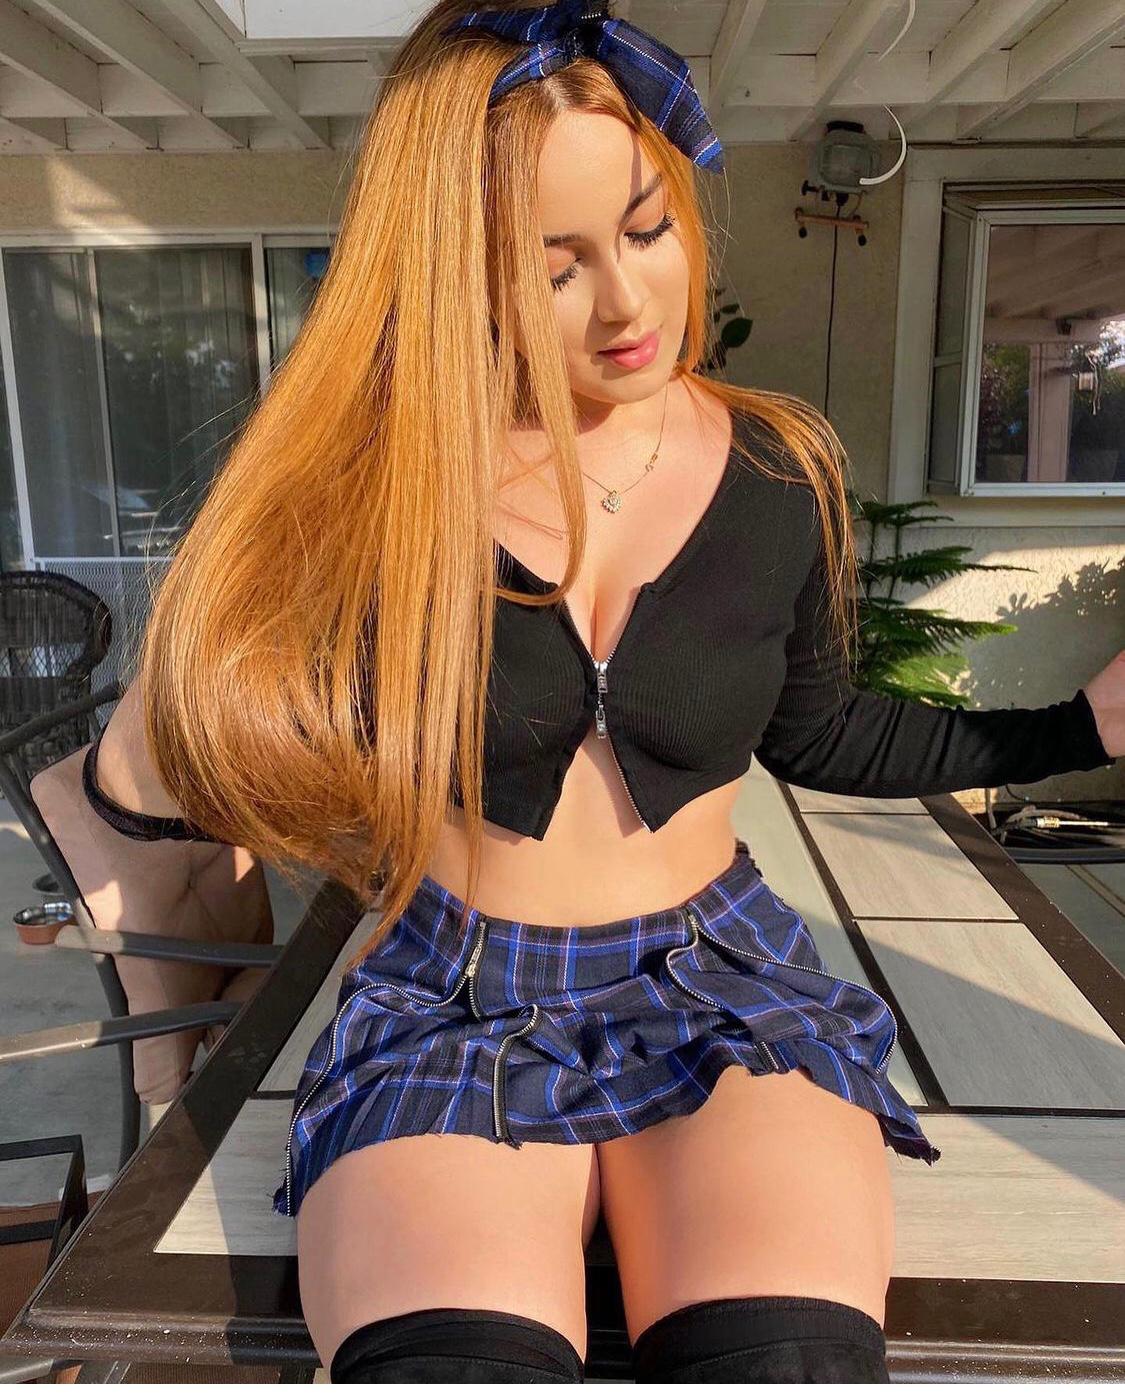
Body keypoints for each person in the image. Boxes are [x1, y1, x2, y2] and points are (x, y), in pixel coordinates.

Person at [81, 0, 1124, 1382]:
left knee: (787, 1361)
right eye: (551, 265)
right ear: (452, 274)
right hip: (451, 990)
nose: (630, 303)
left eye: (646, 229)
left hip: (719, 982)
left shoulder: (779, 470)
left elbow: (822, 731)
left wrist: (1077, 729)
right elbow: (169, 758)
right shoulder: (382, 484)